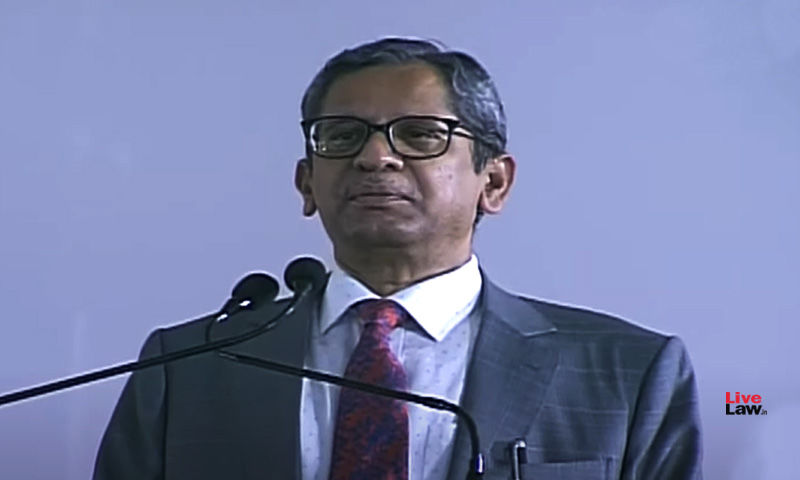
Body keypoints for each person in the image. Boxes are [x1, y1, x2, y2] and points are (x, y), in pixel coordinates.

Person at [94, 37, 702, 480]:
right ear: (306, 183)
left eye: (420, 135)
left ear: (493, 182)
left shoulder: (629, 375)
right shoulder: (189, 367)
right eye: (342, 136)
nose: (375, 158)